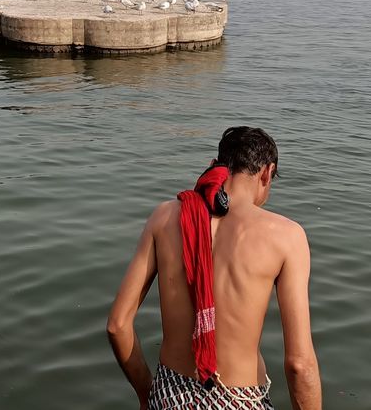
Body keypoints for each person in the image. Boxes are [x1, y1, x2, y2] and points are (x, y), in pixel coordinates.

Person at [107, 127, 322, 409]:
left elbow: (118, 326)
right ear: (267, 174)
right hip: (240, 400)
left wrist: (148, 395)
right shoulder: (286, 237)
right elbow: (299, 365)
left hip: (169, 396)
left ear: (215, 166)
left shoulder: (164, 217)